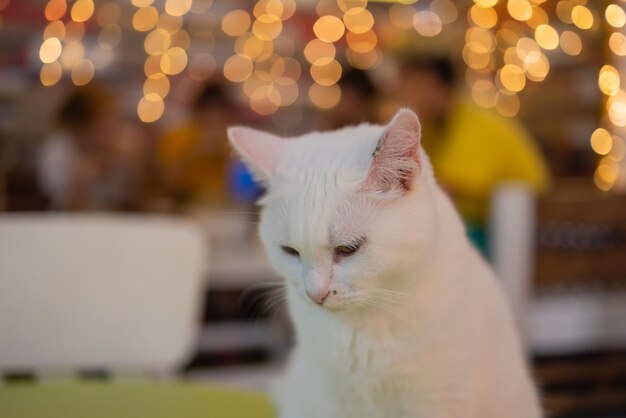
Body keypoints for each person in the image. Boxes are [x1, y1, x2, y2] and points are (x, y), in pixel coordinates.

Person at [397, 54, 550, 252]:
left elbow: (443, 191)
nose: (399, 91)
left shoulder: (473, 122)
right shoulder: (435, 128)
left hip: (526, 234)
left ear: (430, 82)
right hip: (490, 227)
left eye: (408, 82)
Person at [37, 86, 147, 211]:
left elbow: (137, 205)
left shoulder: (124, 149)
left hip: (117, 224)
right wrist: (80, 181)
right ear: (83, 124)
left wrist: (137, 166)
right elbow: (65, 207)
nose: (114, 125)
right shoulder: (59, 150)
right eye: (106, 119)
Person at [158, 83, 233, 208]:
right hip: (182, 203)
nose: (214, 119)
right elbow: (166, 181)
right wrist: (197, 150)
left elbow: (243, 185)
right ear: (198, 112)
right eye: (208, 112)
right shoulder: (178, 136)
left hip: (221, 206)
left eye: (219, 114)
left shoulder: (231, 140)